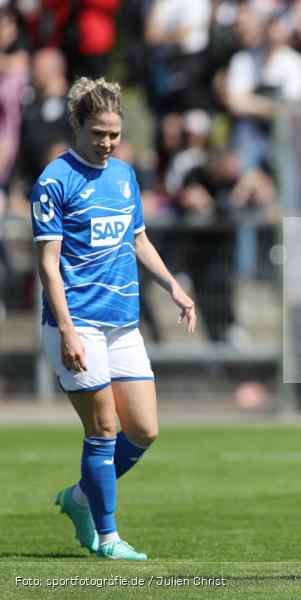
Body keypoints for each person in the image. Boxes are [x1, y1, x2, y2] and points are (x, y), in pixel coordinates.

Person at [32, 78, 196, 560]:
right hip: (77, 322)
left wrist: (174, 287)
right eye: (98, 133)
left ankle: (80, 498)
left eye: (114, 134)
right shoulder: (54, 181)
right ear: (77, 126)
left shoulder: (124, 175)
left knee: (143, 430)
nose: (106, 143)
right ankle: (107, 537)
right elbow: (47, 263)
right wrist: (65, 330)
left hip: (122, 322)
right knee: (103, 430)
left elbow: (138, 240)